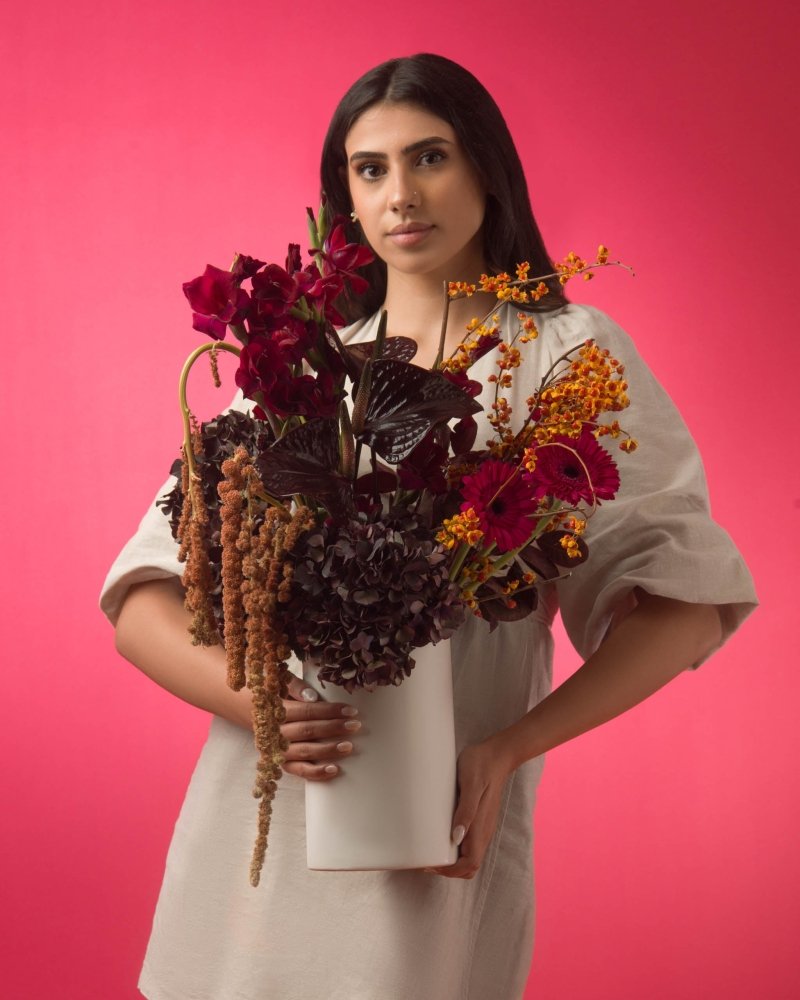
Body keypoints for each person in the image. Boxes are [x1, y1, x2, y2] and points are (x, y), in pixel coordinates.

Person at [100, 53, 757, 1000]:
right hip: (265, 819)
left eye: (430, 157)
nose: (401, 194)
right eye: (369, 170)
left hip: (434, 820)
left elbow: (685, 602)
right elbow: (142, 601)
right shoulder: (305, 362)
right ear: (345, 201)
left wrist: (508, 750)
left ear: (487, 166)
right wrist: (264, 710)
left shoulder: (566, 353)